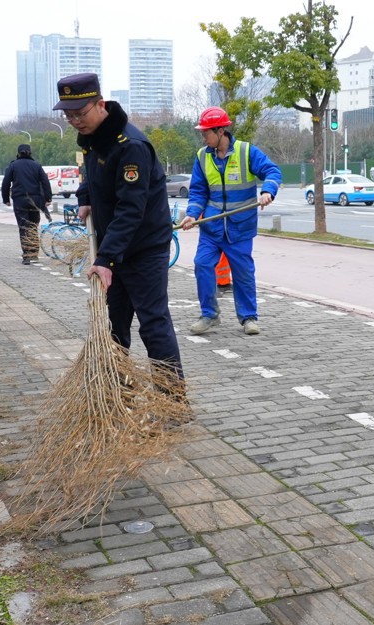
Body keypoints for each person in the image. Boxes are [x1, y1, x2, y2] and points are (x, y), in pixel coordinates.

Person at [54, 72, 188, 408]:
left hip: (143, 248)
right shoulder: (93, 136)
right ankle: (118, 394)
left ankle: (174, 402)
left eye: (79, 114)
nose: (74, 122)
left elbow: (131, 209)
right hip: (114, 246)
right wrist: (85, 197)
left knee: (153, 323)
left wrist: (105, 260)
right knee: (115, 327)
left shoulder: (132, 147)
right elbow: (90, 173)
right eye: (68, 116)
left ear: (100, 104)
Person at [179, 106, 282, 336]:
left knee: (243, 271)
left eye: (206, 132)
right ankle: (209, 315)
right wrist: (192, 215)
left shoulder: (246, 152)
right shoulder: (202, 157)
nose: (203, 137)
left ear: (220, 131)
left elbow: (272, 171)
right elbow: (198, 190)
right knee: (202, 264)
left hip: (240, 227)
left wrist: (267, 191)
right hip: (212, 227)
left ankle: (248, 318)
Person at [1, 143, 52, 265]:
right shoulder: (36, 165)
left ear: (18, 153)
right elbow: (45, 182)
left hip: (20, 200)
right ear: (30, 153)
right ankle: (34, 252)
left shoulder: (13, 166)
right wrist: (48, 198)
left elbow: (6, 183)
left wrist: (6, 199)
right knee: (33, 226)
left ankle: (27, 255)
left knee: (24, 227)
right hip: (35, 200)